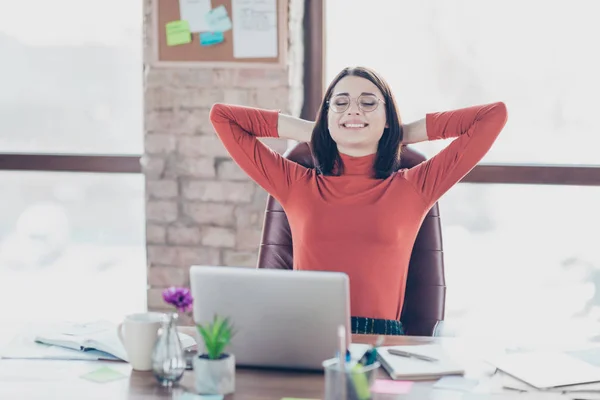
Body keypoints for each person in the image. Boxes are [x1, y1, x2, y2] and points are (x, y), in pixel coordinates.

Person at [209, 66, 508, 335]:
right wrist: (317, 130)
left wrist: (401, 133)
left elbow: (493, 115)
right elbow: (223, 116)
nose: (353, 110)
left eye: (368, 103)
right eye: (340, 103)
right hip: (304, 336)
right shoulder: (295, 184)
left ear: (388, 116)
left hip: (382, 344)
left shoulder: (415, 187)